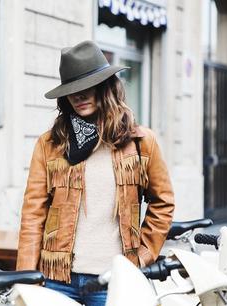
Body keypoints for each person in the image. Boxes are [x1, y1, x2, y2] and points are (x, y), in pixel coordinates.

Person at [16, 40, 175, 306]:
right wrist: (26, 276)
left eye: (87, 87)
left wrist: (142, 257)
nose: (79, 96)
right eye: (72, 90)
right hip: (57, 280)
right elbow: (33, 213)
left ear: (106, 87)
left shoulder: (139, 141)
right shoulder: (51, 144)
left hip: (113, 279)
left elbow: (163, 203)